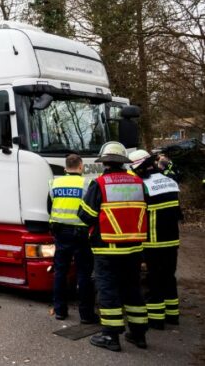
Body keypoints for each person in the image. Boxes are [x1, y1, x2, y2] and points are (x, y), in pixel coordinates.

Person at [79, 141, 148, 352]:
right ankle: (138, 335)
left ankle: (110, 336)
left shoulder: (99, 184)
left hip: (107, 248)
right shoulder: (138, 183)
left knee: (108, 289)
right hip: (134, 248)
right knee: (133, 289)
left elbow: (86, 215)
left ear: (105, 162)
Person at [130, 150, 183, 329]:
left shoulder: (143, 186)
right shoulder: (169, 180)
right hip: (172, 240)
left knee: (154, 279)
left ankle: (156, 319)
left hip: (153, 241)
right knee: (169, 276)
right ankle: (173, 315)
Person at [48, 154, 96, 323]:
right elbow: (92, 211)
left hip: (60, 233)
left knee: (60, 272)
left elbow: (50, 207)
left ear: (65, 168)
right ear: (81, 167)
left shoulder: (54, 183)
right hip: (81, 235)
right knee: (83, 274)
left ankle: (60, 311)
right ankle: (86, 314)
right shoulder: (87, 184)